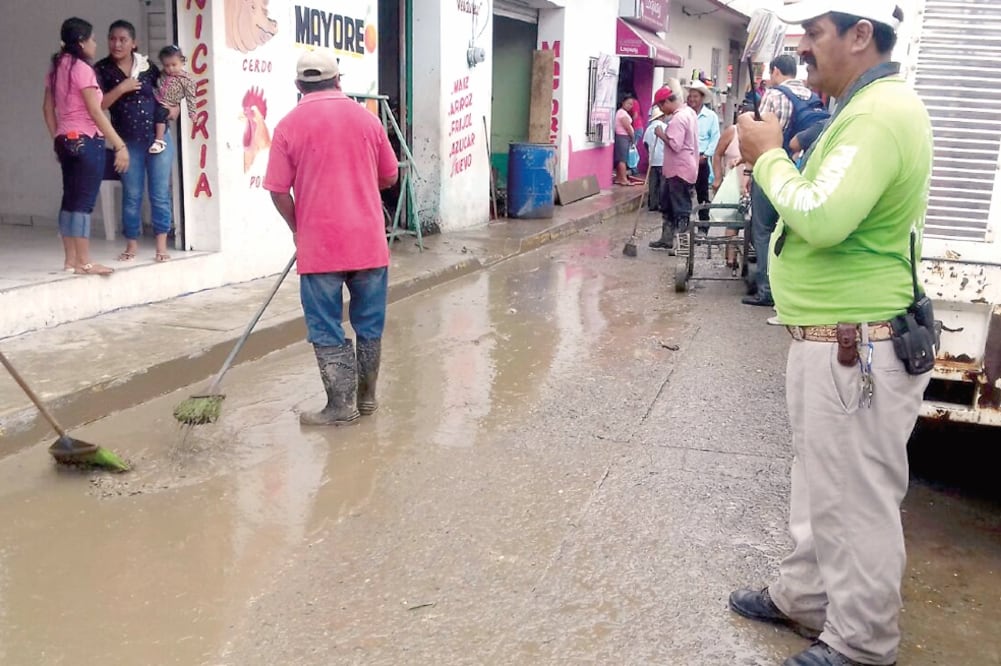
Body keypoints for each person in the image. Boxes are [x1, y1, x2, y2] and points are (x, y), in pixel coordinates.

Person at [729, 3, 932, 666]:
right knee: (820, 485)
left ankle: (861, 644)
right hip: (838, 340)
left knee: (855, 501)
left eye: (813, 34)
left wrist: (764, 161)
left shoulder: (878, 114)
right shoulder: (861, 107)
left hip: (858, 343)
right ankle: (804, 598)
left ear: (859, 34)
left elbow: (820, 217)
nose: (803, 47)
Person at [264, 50, 399, 426]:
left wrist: (298, 228)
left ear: (298, 86)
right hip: (369, 243)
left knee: (325, 325)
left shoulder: (289, 125)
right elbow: (389, 176)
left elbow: (277, 191)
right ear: (339, 81)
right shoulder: (367, 120)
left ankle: (341, 406)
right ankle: (366, 398)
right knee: (369, 325)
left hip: (320, 247)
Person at [42, 17, 129, 276]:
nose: (95, 43)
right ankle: (85, 263)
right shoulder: (82, 69)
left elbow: (47, 108)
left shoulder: (56, 68)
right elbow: (96, 111)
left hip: (65, 139)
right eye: (91, 39)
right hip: (87, 140)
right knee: (83, 204)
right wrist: (119, 144)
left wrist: (57, 137)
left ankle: (70, 261)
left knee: (69, 200)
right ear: (81, 42)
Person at [95, 20, 177, 264]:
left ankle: (161, 246)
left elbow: (167, 89)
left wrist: (174, 109)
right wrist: (122, 88)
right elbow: (98, 105)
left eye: (123, 39)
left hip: (158, 138)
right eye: (112, 39)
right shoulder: (102, 69)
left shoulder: (147, 66)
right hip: (126, 141)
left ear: (134, 43)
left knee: (160, 193)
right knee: (132, 194)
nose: (117, 44)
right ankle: (132, 245)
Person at [744, 54, 820, 307]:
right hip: (801, 173)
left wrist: (750, 171)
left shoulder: (775, 95)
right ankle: (791, 288)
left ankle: (767, 290)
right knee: (790, 232)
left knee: (764, 231)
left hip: (772, 171)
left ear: (776, 71)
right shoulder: (812, 96)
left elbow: (758, 135)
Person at [648, 84, 698, 251]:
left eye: (661, 106)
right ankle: (667, 239)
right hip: (679, 168)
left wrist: (661, 134)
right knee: (668, 205)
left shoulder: (678, 119)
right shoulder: (689, 112)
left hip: (679, 170)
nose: (661, 110)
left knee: (681, 208)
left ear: (667, 102)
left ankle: (683, 245)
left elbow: (675, 145)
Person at [711, 101, 751, 270]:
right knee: (733, 220)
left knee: (751, 222)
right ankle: (731, 258)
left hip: (752, 181)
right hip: (733, 181)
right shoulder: (732, 132)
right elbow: (717, 154)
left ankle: (750, 258)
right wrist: (718, 177)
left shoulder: (758, 137)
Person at [687, 80, 720, 236]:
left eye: (695, 96)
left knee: (702, 194)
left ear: (701, 98)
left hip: (701, 160)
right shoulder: (685, 113)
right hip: (685, 160)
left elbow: (715, 138)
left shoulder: (710, 116)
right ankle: (685, 225)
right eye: (690, 96)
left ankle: (704, 226)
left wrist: (706, 155)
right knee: (685, 193)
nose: (692, 99)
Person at [150, 45, 197, 154]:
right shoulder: (162, 74)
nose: (170, 68)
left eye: (174, 65)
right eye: (167, 65)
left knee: (160, 114)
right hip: (157, 98)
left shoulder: (185, 80)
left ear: (182, 62)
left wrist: (192, 113)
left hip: (169, 104)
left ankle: (159, 140)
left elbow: (191, 97)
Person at [641, 106, 668, 212]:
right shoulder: (665, 127)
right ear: (662, 116)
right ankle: (662, 204)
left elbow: (645, 144)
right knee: (663, 184)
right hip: (663, 160)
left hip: (653, 160)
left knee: (653, 184)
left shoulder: (648, 129)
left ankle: (653, 204)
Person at [613, 96, 637, 186]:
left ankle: (619, 178)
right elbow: (627, 127)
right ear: (623, 102)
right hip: (623, 137)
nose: (630, 106)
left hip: (622, 137)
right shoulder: (622, 113)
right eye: (628, 103)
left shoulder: (620, 112)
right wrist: (632, 137)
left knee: (621, 158)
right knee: (622, 159)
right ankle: (623, 179)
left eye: (631, 104)